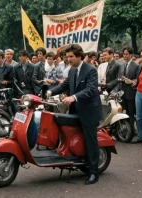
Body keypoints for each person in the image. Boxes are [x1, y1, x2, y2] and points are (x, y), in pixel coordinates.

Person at [47, 44, 102, 185]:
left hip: (89, 111)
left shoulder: (91, 70)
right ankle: (79, 162)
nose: (68, 59)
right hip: (76, 110)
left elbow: (90, 90)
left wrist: (73, 97)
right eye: (67, 57)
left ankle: (93, 173)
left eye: (71, 56)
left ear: (79, 56)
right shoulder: (71, 70)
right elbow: (65, 85)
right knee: (73, 137)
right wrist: (50, 91)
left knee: (91, 142)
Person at [120, 47, 140, 135]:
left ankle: (132, 131)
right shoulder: (122, 65)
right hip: (123, 92)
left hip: (131, 92)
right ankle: (126, 130)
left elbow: (138, 78)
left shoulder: (136, 65)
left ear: (131, 55)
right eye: (124, 54)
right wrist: (121, 79)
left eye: (126, 54)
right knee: (124, 112)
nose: (124, 55)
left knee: (131, 113)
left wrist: (131, 81)